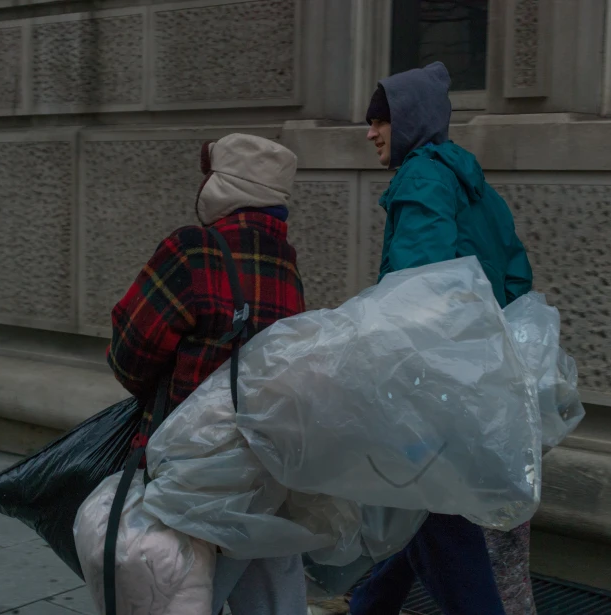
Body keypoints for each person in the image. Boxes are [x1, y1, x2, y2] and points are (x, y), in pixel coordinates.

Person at [350, 62, 536, 615]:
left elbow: (415, 289)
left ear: (407, 122)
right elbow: (517, 279)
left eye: (380, 120)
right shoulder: (473, 184)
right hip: (482, 388)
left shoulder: (423, 174)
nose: (370, 132)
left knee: (440, 526)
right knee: (412, 525)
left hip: (437, 401)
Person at [107, 132, 308, 615]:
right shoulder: (286, 266)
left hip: (189, 467)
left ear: (221, 186)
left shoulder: (193, 249)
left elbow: (129, 351)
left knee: (181, 591)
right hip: (261, 466)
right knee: (269, 591)